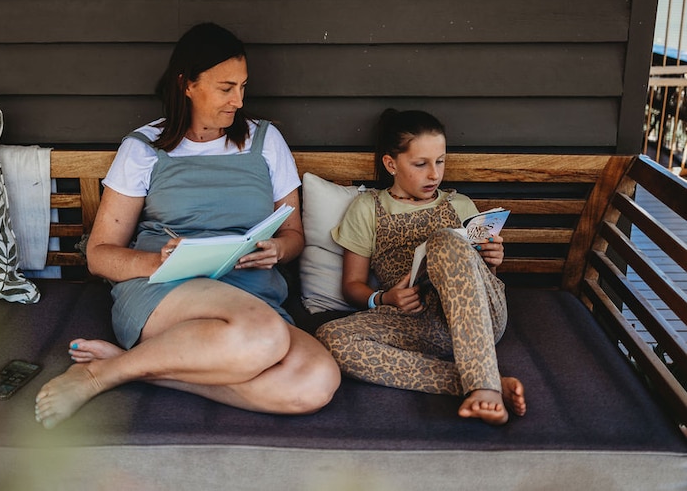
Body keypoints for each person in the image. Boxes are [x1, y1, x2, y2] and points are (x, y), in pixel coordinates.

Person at [35, 23, 341, 429]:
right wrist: (158, 261)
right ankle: (96, 376)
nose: (239, 100)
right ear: (187, 84)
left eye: (243, 87)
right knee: (265, 337)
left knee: (315, 383)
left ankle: (133, 366)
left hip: (248, 292)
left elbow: (293, 235)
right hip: (166, 290)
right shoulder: (143, 149)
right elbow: (99, 256)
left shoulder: (266, 141)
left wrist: (279, 250)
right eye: (226, 88)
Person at [314, 109, 527, 425]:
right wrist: (384, 299)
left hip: (479, 318)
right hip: (418, 321)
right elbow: (352, 286)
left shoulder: (460, 205)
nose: (434, 174)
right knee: (331, 338)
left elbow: (482, 279)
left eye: (440, 161)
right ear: (391, 164)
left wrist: (493, 259)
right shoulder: (367, 208)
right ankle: (480, 382)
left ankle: (484, 388)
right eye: (421, 164)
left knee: (444, 241)